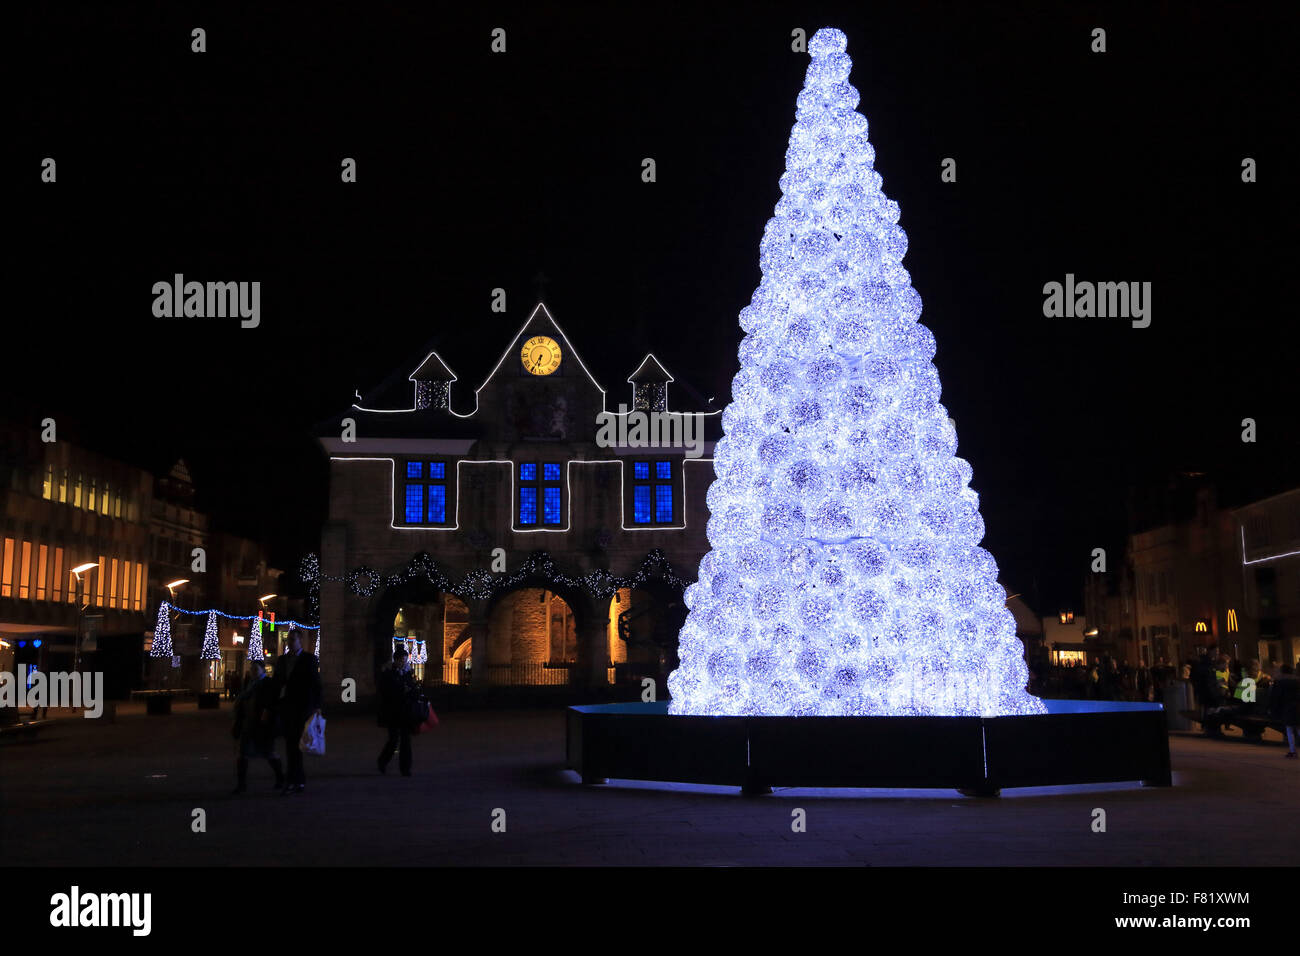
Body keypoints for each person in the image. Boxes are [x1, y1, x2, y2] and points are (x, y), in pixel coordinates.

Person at [273, 631, 322, 794]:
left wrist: (317, 706)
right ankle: (297, 780)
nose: (290, 642)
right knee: (291, 745)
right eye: (289, 640)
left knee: (295, 745)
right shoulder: (282, 660)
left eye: (293, 639)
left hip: (302, 707)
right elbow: (276, 683)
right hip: (286, 707)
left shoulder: (309, 659)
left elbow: (316, 683)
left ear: (301, 641)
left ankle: (293, 780)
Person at [231, 661, 284, 794]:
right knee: (243, 754)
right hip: (249, 723)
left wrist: (267, 715)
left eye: (256, 669)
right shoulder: (250, 683)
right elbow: (244, 702)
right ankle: (241, 784)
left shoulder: (268, 683)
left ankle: (280, 778)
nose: (253, 671)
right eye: (251, 669)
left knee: (269, 753)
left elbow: (273, 702)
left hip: (263, 725)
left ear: (262, 670)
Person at [377, 645, 419, 777]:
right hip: (393, 711)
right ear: (395, 660)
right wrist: (401, 690)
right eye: (401, 660)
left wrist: (412, 691)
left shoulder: (408, 673)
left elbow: (414, 689)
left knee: (406, 740)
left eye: (404, 660)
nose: (403, 663)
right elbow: (385, 691)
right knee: (394, 739)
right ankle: (382, 761)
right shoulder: (388, 673)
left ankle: (405, 768)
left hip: (406, 711)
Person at [1267, 662, 1298, 758]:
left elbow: (1275, 697)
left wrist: (1272, 709)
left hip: (1288, 708)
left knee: (1289, 730)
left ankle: (1293, 751)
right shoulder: (1297, 681)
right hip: (1298, 707)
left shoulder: (1280, 682)